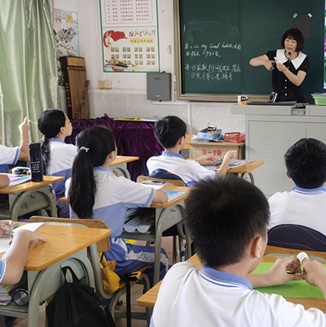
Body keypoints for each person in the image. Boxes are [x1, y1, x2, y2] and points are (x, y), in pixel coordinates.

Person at [143, 175, 326, 327]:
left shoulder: (176, 276)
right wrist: (323, 278)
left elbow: (218, 283)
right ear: (258, 245)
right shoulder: (268, 314)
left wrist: (267, 279)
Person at [65, 126, 169, 281]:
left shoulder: (71, 184)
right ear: (112, 154)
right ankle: (151, 296)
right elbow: (162, 197)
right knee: (161, 257)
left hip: (80, 256)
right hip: (111, 257)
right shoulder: (118, 184)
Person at [147, 115, 236, 185]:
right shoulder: (190, 166)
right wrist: (227, 157)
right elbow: (218, 177)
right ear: (181, 140)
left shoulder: (151, 162)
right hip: (187, 201)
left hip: (168, 201)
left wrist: (197, 161)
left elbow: (174, 166)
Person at [249, 27, 308, 103]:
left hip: (297, 101)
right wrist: (265, 62)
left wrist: (284, 70)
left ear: (298, 43)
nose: (289, 44)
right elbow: (252, 61)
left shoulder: (303, 58)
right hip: (278, 101)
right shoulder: (276, 54)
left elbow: (298, 81)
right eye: (287, 40)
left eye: (293, 42)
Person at [37, 109, 77, 217]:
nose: (71, 124)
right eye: (68, 121)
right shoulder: (70, 150)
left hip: (44, 205)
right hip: (64, 205)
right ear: (62, 129)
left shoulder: (37, 149)